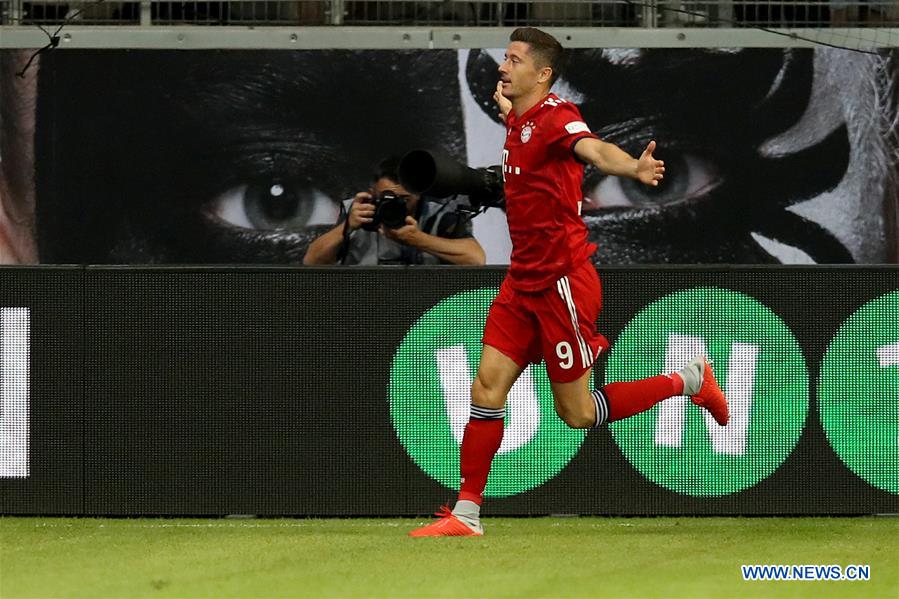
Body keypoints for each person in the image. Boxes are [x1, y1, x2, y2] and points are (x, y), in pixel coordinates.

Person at [408, 27, 730, 537]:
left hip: (562, 284)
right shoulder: (521, 117)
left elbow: (594, 150)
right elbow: (525, 132)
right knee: (486, 388)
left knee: (577, 414)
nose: (503, 67)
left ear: (543, 74)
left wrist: (633, 167)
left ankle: (688, 381)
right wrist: (510, 111)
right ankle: (466, 514)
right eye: (505, 58)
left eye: (514, 60)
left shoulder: (559, 117)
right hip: (522, 282)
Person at [302, 156, 485, 265]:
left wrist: (418, 239)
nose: (397, 204)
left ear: (419, 194)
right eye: (387, 197)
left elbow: (476, 259)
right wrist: (347, 227)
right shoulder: (359, 211)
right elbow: (312, 261)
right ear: (372, 193)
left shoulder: (436, 214)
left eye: (405, 199)